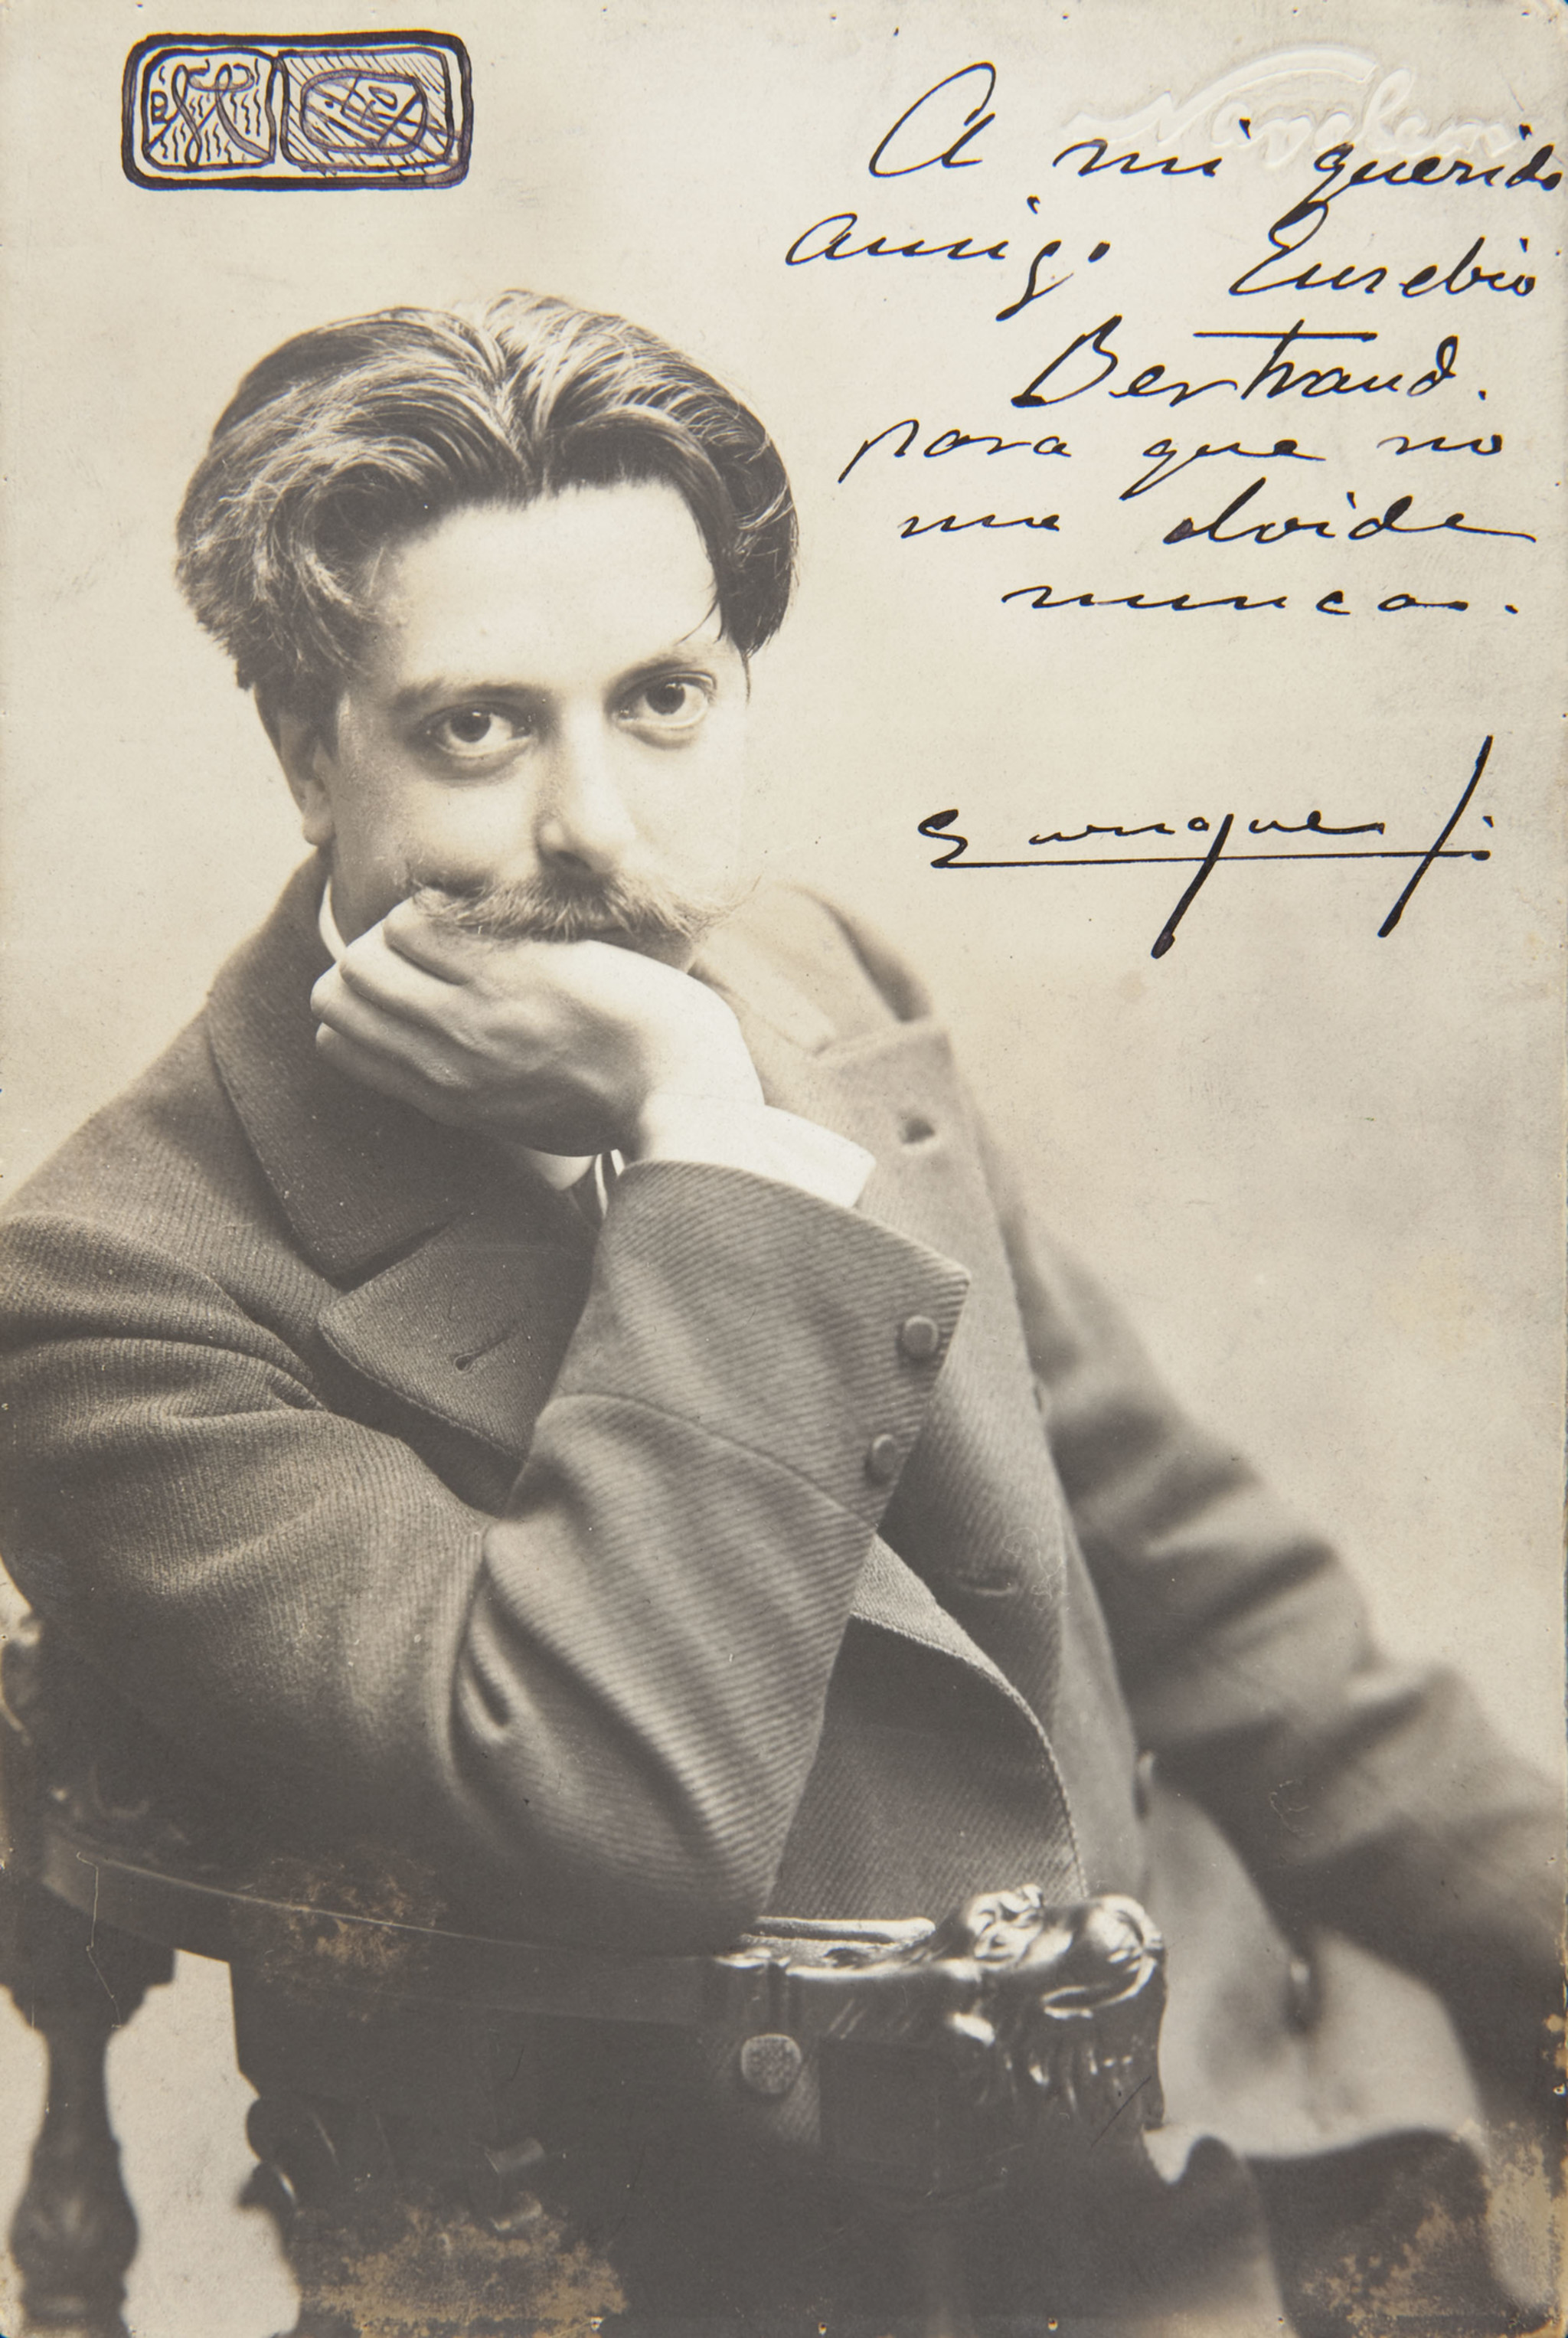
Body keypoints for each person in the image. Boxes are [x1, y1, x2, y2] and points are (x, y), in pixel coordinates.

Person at [0, 290, 1558, 2336]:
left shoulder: (815, 980)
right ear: (308, 751)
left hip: (1185, 2156)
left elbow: (1205, 1586)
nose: (598, 826)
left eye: (664, 698)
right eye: (479, 728)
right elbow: (618, 1803)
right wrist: (701, 1131)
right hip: (706, 2281)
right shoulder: (116, 1290)